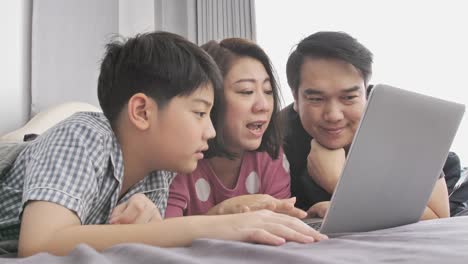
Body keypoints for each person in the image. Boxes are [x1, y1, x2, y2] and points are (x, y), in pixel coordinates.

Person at [0, 32, 325, 257]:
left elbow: (149, 238)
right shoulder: (83, 136)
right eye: (199, 112)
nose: (211, 131)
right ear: (142, 111)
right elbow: (40, 243)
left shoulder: (157, 173)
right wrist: (222, 225)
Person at [281, 31, 450, 220]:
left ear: (366, 94)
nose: (334, 115)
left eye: (349, 97)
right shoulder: (275, 138)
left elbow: (439, 220)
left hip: (446, 177)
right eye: (316, 99)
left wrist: (340, 185)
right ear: (295, 98)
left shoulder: (402, 123)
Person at [165, 38, 307, 219]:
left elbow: (281, 225)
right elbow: (164, 233)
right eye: (247, 91)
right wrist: (221, 214)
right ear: (209, 98)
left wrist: (309, 215)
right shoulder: (177, 160)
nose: (263, 105)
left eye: (268, 91)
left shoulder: (271, 157)